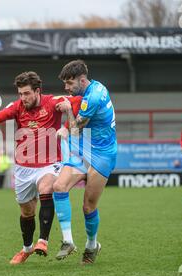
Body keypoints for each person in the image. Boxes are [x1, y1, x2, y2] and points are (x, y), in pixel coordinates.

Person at [0, 71, 77, 265]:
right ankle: (26, 249)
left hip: (50, 163)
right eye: (20, 94)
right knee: (27, 212)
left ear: (37, 91)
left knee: (47, 188)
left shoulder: (52, 102)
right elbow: (1, 115)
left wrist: (68, 110)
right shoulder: (18, 107)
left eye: (26, 93)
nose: (22, 98)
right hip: (24, 168)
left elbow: (79, 100)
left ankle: (43, 241)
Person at [52, 59, 117, 265]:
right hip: (82, 148)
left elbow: (75, 127)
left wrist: (67, 110)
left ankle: (91, 244)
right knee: (59, 186)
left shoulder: (94, 97)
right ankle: (68, 241)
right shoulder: (91, 89)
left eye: (70, 83)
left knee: (88, 207)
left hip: (103, 154)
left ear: (82, 80)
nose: (67, 88)